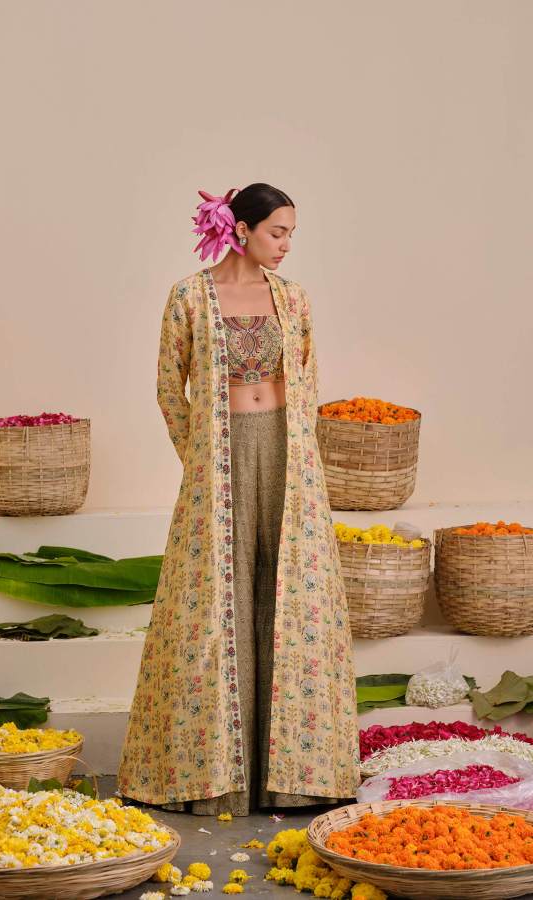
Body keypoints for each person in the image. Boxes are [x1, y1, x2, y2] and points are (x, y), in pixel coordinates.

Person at [118, 183, 360, 815]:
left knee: (289, 593)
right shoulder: (188, 297)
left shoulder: (292, 298)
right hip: (219, 455)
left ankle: (294, 776)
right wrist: (200, 459)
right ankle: (216, 776)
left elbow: (306, 377)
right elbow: (170, 387)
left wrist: (304, 460)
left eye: (291, 234)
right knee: (215, 599)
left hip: (286, 453)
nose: (286, 245)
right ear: (242, 228)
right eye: (278, 232)